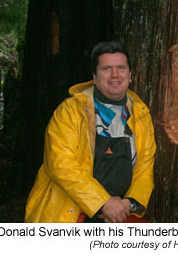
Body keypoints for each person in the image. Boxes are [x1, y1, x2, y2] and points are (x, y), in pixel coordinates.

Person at [25, 41, 156, 223]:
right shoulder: (70, 111)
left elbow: (145, 168)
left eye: (121, 68)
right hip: (70, 214)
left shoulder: (141, 115)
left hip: (120, 215)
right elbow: (60, 164)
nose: (115, 75)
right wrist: (102, 202)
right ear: (94, 76)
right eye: (106, 69)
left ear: (130, 75)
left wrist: (130, 203)